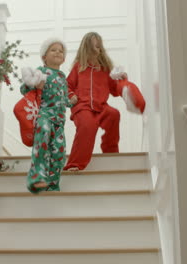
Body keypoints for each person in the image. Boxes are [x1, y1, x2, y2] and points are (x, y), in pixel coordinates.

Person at [63, 32, 126, 171]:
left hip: (101, 107)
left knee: (114, 114)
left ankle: (111, 153)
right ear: (87, 47)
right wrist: (71, 95)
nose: (98, 46)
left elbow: (114, 90)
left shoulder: (105, 69)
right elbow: (67, 85)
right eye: (94, 44)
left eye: (99, 44)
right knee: (88, 125)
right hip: (82, 106)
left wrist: (121, 81)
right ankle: (75, 164)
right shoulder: (79, 67)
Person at [20, 38, 71, 193]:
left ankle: (52, 184)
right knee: (42, 139)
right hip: (44, 116)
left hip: (59, 122)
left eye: (61, 51)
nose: (58, 52)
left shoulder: (62, 77)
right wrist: (35, 84)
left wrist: (71, 101)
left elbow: (63, 98)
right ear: (44, 57)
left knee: (59, 152)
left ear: (64, 58)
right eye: (53, 50)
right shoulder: (40, 72)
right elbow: (24, 89)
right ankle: (37, 178)